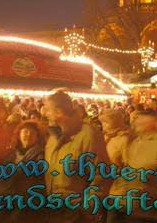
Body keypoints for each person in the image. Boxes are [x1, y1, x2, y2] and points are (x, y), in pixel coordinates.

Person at [43, 91, 110, 223]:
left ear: (59, 111)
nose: (45, 114)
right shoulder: (53, 137)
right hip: (54, 213)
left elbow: (102, 176)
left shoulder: (88, 135)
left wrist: (85, 208)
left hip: (77, 216)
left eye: (48, 110)